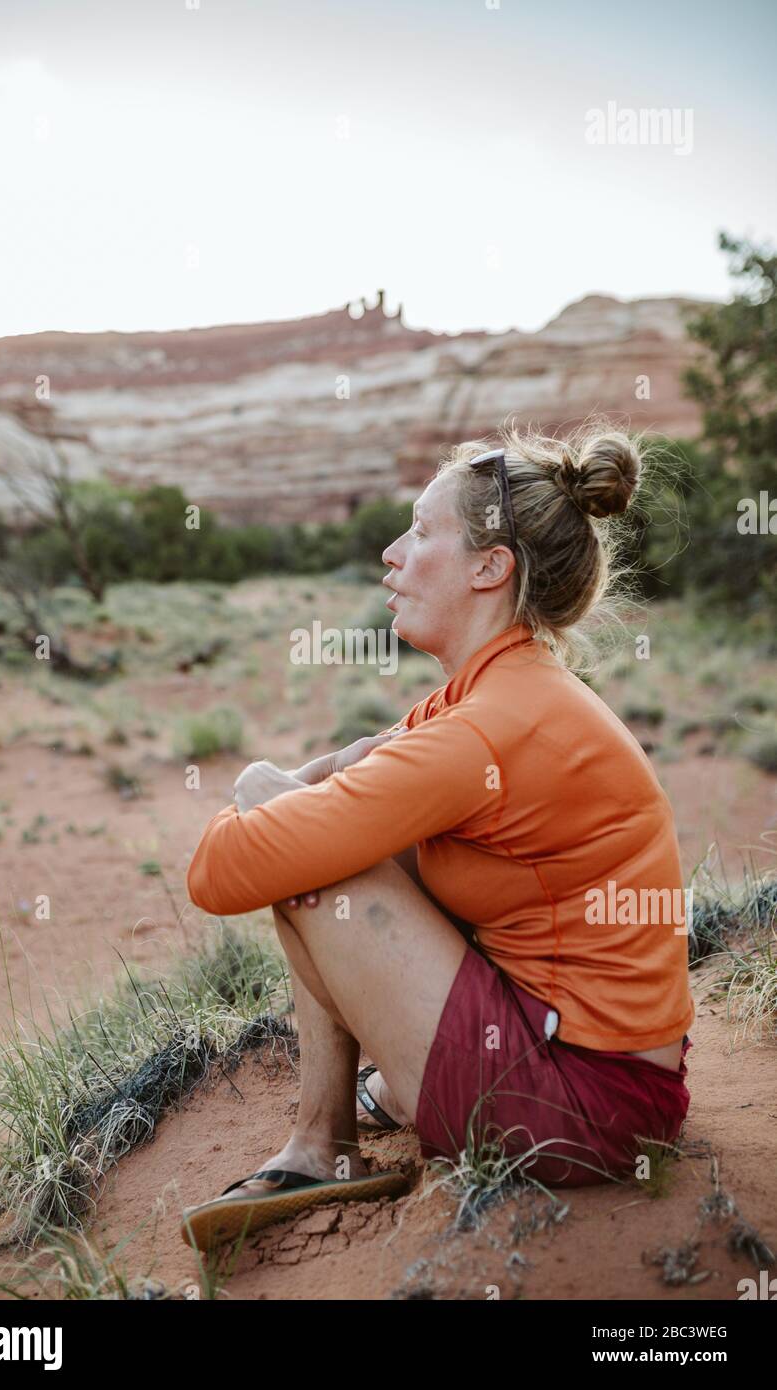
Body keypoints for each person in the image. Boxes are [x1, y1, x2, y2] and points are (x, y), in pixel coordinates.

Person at [181, 421, 695, 1250]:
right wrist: (310, 784)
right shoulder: (499, 691)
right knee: (333, 837)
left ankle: (323, 1145)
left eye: (421, 532)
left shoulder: (487, 728)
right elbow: (359, 774)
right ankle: (331, 1135)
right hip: (596, 1069)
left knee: (322, 868)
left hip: (588, 1109)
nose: (391, 552)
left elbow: (219, 874)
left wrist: (262, 791)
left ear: (491, 569)